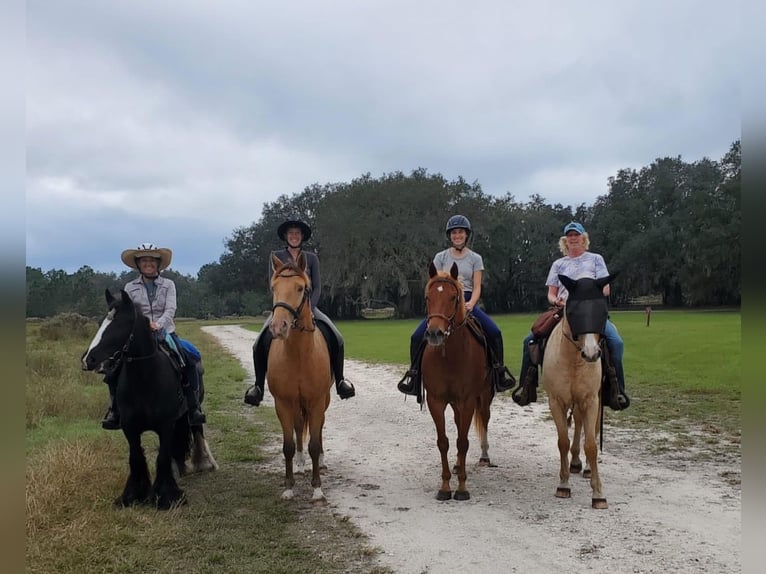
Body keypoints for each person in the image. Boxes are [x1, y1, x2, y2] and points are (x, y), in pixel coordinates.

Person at [512, 222, 630, 409]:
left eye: (577, 235)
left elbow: (606, 288)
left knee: (616, 342)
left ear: (584, 238)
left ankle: (616, 389)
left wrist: (588, 296)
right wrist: (556, 301)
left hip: (591, 312)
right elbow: (551, 293)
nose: (573, 238)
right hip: (564, 311)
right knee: (531, 341)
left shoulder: (595, 259)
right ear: (565, 240)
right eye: (570, 236)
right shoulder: (559, 264)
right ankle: (527, 386)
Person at [398, 214, 516, 400]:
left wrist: (471, 303)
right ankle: (414, 376)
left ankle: (499, 371)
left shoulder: (475, 258)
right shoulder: (440, 257)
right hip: (444, 303)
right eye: (454, 233)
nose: (457, 236)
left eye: (460, 232)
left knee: (494, 331)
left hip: (467, 300)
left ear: (466, 235)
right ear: (450, 236)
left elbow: (477, 286)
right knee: (416, 336)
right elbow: (433, 284)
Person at [244, 216, 356, 406]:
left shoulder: (311, 258)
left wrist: (309, 309)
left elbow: (318, 287)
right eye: (291, 233)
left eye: (297, 233)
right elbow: (274, 286)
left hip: (307, 308)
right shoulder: (276, 257)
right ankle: (258, 387)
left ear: (302, 237)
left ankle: (340, 381)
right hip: (284, 308)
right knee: (259, 342)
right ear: (286, 236)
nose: (294, 236)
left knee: (336, 337)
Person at [101, 243, 207, 429]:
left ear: (158, 264)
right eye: (144, 260)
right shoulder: (130, 287)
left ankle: (193, 406)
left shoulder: (169, 285)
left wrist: (157, 325)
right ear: (138, 264)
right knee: (113, 366)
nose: (148, 263)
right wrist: (141, 326)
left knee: (190, 357)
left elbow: (170, 309)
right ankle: (115, 410)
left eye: (151, 260)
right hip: (138, 336)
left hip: (165, 332)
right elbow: (129, 313)